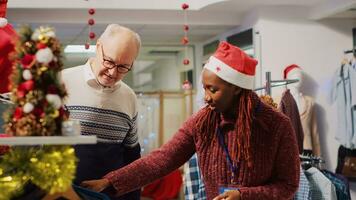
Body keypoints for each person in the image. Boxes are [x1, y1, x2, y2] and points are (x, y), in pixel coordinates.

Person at [81, 41, 300, 200]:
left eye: (213, 90)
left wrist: (244, 196)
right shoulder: (203, 122)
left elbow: (288, 185)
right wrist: (110, 181)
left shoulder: (276, 125)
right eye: (204, 88)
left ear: (235, 88)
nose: (205, 97)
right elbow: (162, 159)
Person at [61, 24, 142, 200]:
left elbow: (132, 157)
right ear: (98, 47)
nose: (112, 72)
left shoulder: (129, 96)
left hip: (110, 195)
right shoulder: (61, 82)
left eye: (123, 67)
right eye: (109, 61)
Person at [284, 64, 321, 156]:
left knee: (309, 171)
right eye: (294, 75)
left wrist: (318, 157)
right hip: (287, 149)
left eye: (300, 75)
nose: (298, 78)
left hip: (306, 149)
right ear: (287, 79)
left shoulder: (310, 102)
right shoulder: (279, 101)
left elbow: (314, 131)